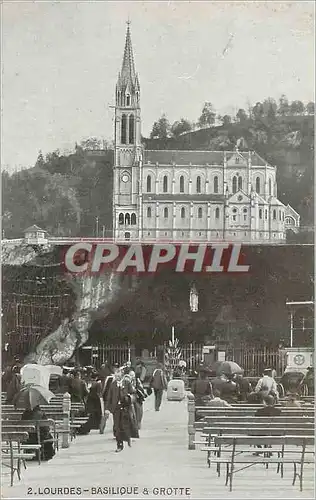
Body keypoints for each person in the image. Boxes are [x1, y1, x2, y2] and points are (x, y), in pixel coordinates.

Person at [105, 370, 138, 452]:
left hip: (125, 408)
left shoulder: (127, 383)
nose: (117, 378)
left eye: (119, 377)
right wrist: (107, 408)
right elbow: (109, 397)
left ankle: (128, 438)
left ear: (122, 376)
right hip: (116, 409)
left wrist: (129, 398)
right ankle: (119, 445)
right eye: (116, 376)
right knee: (117, 427)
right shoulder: (113, 385)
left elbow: (134, 394)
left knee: (125, 425)